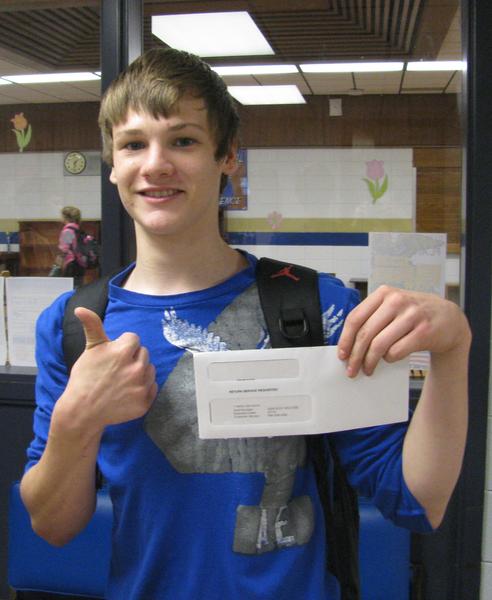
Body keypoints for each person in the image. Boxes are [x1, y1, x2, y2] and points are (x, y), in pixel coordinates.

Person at [19, 48, 471, 600]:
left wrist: (453, 349)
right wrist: (76, 418)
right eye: (134, 144)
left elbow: (417, 499)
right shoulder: (75, 327)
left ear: (227, 156)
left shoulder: (314, 305)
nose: (156, 163)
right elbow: (52, 525)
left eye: (183, 140)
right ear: (112, 163)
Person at [57, 205, 85, 286]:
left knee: (68, 287)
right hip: (80, 263)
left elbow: (64, 249)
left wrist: (57, 265)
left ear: (65, 217)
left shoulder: (68, 231)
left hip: (71, 263)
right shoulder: (78, 229)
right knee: (78, 287)